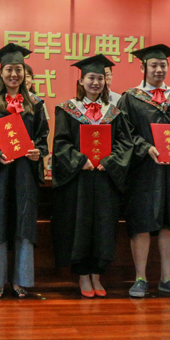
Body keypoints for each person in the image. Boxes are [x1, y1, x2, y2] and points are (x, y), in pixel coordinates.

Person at [117, 44, 170, 299]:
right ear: (143, 68)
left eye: (163, 65)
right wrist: (145, 147)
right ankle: (140, 278)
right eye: (153, 65)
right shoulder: (130, 98)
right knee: (142, 222)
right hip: (144, 170)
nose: (158, 69)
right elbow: (123, 132)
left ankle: (167, 278)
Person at [0, 43, 49, 299]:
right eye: (9, 70)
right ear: (0, 72)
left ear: (25, 73)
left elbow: (42, 138)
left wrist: (38, 152)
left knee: (23, 223)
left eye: (18, 70)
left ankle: (21, 280)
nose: (14, 75)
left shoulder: (35, 104)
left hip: (25, 173)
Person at [51, 55, 133, 298]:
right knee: (80, 225)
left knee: (103, 225)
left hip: (105, 179)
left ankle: (97, 273)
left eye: (100, 78)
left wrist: (109, 162)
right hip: (79, 179)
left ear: (105, 81)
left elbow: (125, 144)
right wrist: (80, 161)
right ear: (81, 80)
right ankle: (82, 275)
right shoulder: (67, 110)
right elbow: (61, 143)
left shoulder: (115, 112)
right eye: (91, 78)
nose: (96, 82)